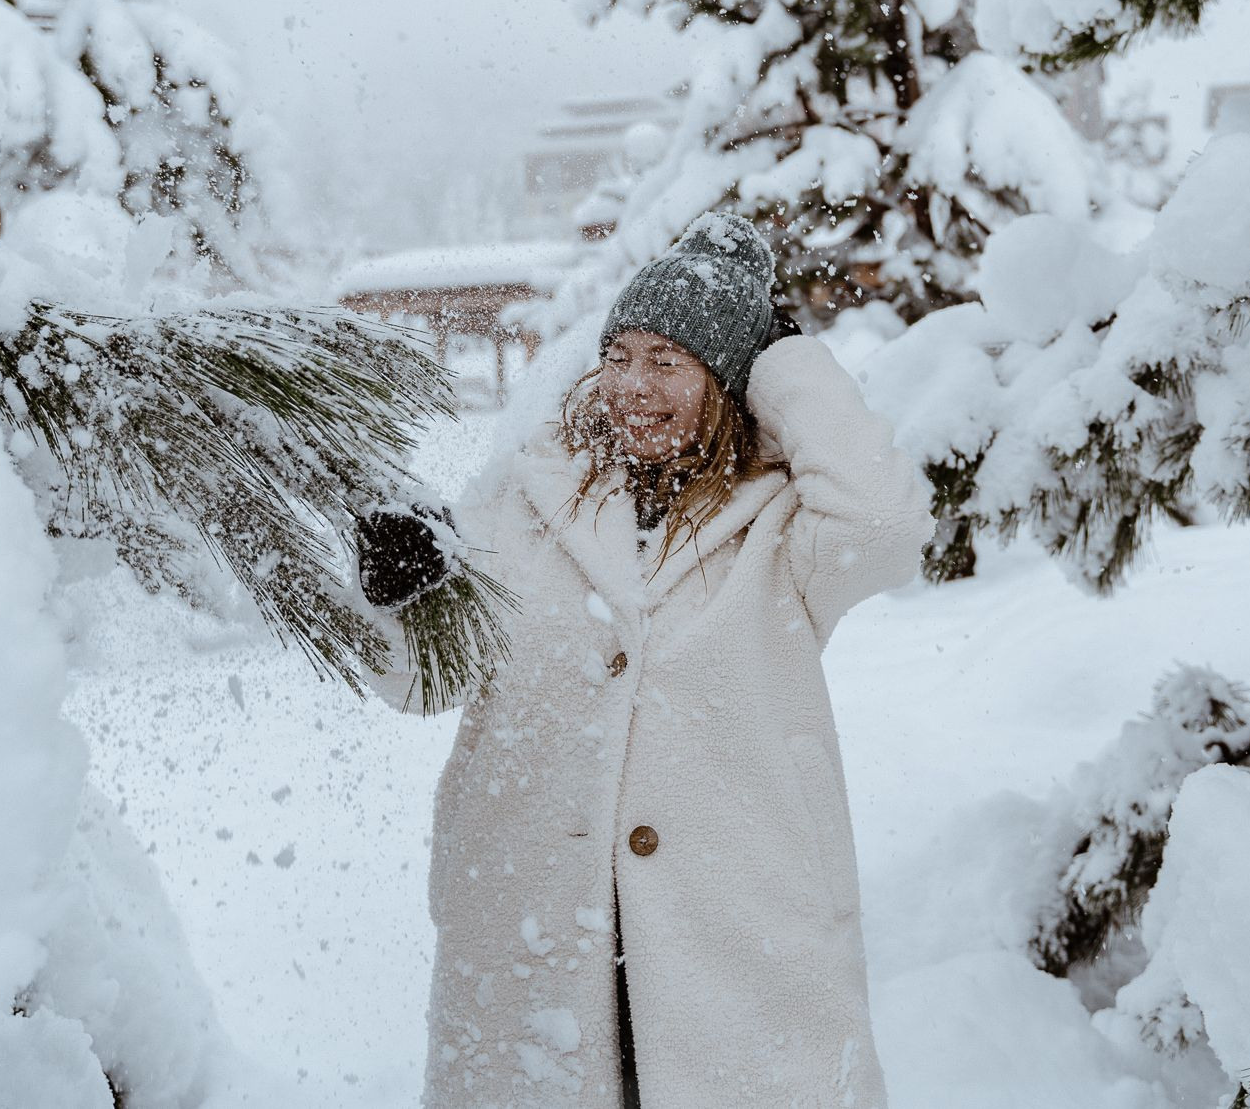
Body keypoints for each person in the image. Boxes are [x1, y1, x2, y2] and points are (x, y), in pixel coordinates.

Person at [356, 212, 933, 1109]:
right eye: (619, 354)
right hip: (539, 929)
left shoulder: (783, 528)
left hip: (731, 941)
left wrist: (779, 361)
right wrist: (398, 599)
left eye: (669, 361)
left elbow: (890, 528)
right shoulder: (527, 494)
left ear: (729, 384)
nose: (633, 385)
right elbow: (420, 678)